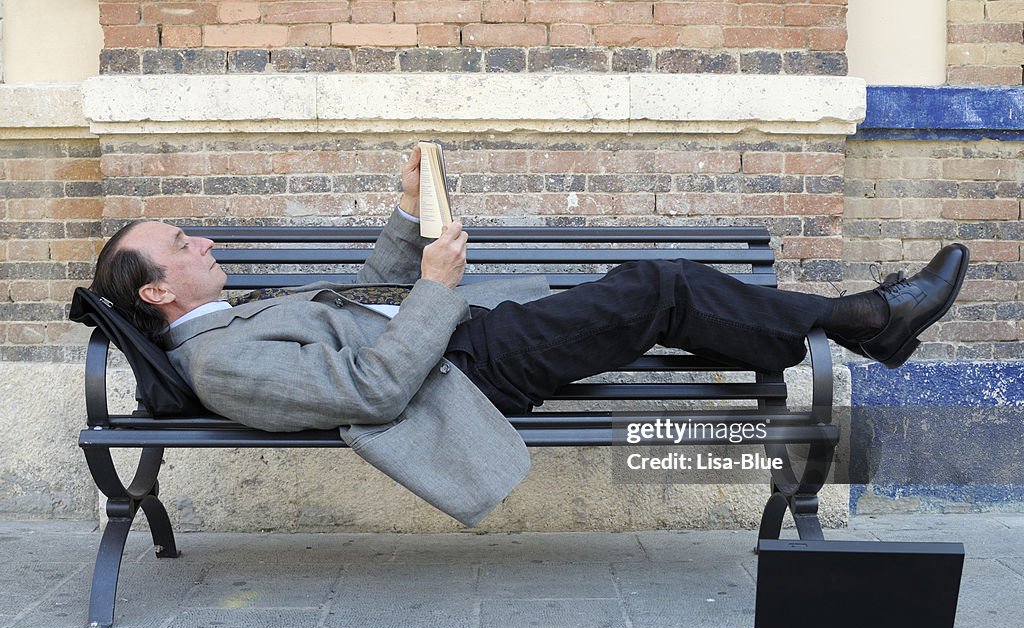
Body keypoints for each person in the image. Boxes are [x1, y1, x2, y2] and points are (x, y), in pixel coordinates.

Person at [88, 147, 969, 525]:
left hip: (465, 339)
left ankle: (864, 324)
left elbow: (363, 299)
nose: (201, 240)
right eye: (180, 244)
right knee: (657, 289)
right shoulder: (218, 363)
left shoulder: (234, 317)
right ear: (159, 290)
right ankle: (868, 320)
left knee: (658, 299)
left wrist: (408, 207)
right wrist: (437, 290)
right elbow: (373, 393)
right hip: (464, 374)